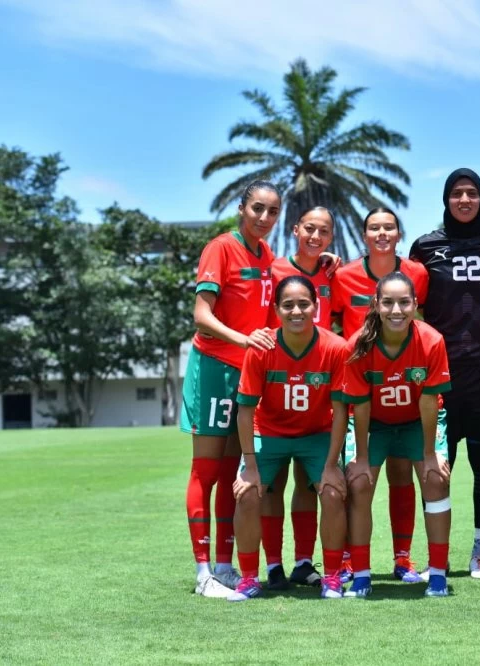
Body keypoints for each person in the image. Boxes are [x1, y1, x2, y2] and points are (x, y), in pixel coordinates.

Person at [410, 168, 480, 578]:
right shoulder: (425, 247)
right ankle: (435, 557)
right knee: (438, 463)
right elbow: (407, 300)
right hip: (439, 372)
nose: (464, 200)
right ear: (446, 199)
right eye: (457, 193)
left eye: (472, 193)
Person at [180, 180, 280, 597]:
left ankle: (224, 565)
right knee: (206, 471)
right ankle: (203, 574)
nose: (264, 217)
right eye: (257, 208)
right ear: (242, 208)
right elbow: (201, 315)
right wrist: (244, 340)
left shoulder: (268, 255)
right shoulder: (221, 247)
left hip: (245, 375)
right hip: (214, 368)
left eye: (273, 211)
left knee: (231, 474)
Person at [226, 276, 349, 600]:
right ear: (276, 309)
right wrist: (250, 466)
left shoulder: (335, 348)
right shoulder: (262, 348)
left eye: (304, 304)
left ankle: (333, 577)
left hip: (316, 433)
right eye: (288, 305)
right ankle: (250, 578)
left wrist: (333, 464)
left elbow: (341, 410)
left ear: (316, 306)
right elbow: (244, 411)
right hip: (270, 432)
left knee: (334, 491)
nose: (297, 311)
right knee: (248, 492)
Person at [340, 272, 453, 598]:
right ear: (375, 304)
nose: (396, 310)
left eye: (404, 302)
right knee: (359, 483)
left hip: (418, 424)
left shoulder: (431, 341)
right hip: (374, 425)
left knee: (435, 479)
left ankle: (438, 576)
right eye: (387, 302)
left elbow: (429, 402)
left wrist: (430, 455)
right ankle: (361, 576)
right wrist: (361, 459)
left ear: (416, 304)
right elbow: (359, 407)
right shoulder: (359, 344)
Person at [332, 207, 430, 583]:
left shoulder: (418, 273)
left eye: (389, 227)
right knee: (357, 478)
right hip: (358, 389)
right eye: (374, 227)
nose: (382, 233)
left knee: (402, 475)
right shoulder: (342, 276)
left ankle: (402, 559)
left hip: (402, 388)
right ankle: (348, 560)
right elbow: (337, 327)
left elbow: (421, 325)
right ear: (364, 234)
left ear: (399, 232)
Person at [261, 207, 341, 590]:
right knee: (271, 484)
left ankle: (304, 562)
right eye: (310, 228)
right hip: (278, 387)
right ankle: (272, 565)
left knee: (308, 484)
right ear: (295, 229)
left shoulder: (331, 273)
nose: (316, 236)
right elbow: (261, 328)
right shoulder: (274, 270)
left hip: (317, 389)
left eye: (324, 231)